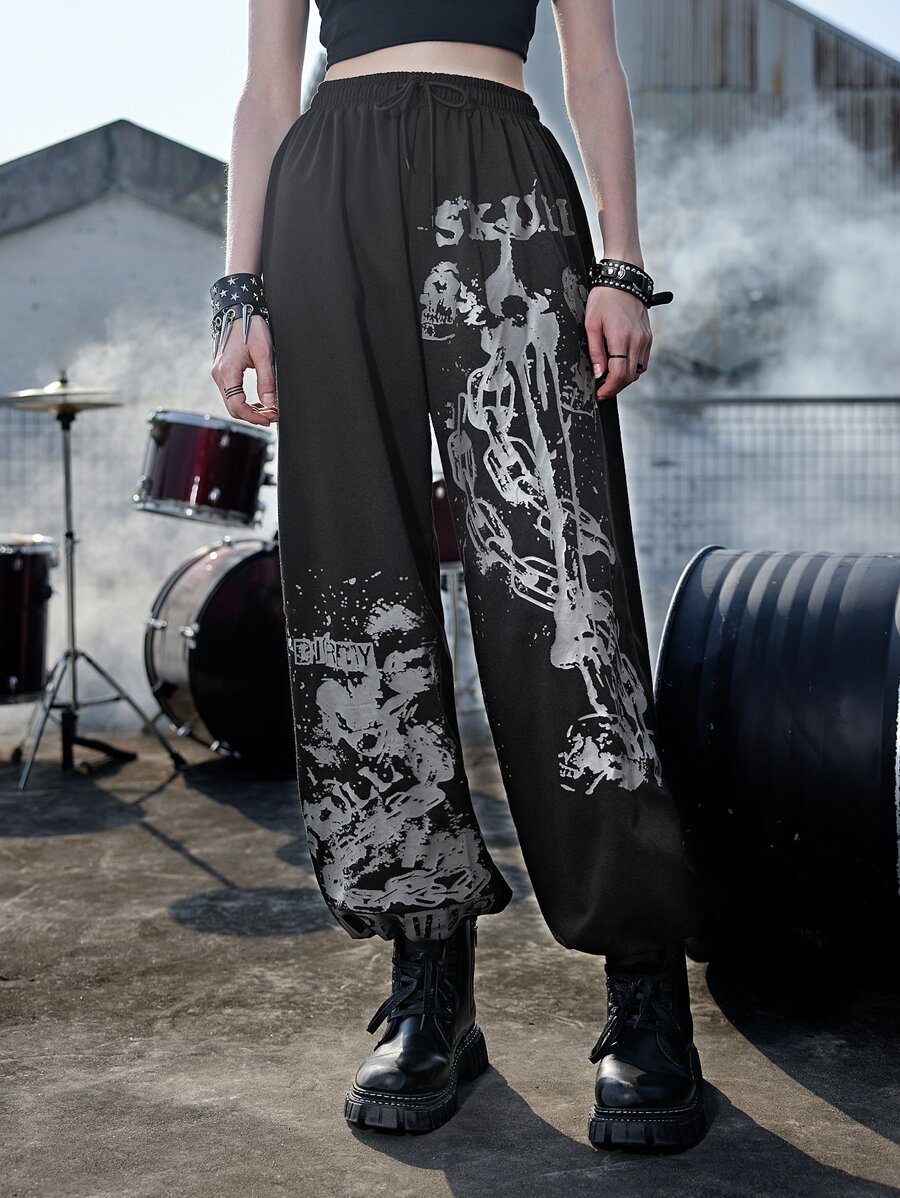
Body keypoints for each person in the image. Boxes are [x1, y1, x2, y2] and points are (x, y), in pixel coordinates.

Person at [209, 0, 711, 1152]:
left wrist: (621, 260)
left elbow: (595, 66)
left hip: (503, 179)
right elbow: (266, 91)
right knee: (356, 585)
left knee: (563, 572)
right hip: (326, 189)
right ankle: (428, 978)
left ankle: (645, 981)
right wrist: (240, 290)